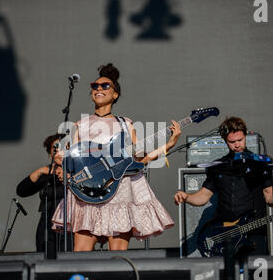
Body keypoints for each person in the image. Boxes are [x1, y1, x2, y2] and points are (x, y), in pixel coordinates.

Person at [52, 63, 181, 252]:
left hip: (118, 191)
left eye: (105, 86)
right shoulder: (81, 125)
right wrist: (63, 165)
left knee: (118, 256)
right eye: (94, 86)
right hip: (88, 193)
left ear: (115, 94)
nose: (98, 89)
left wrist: (168, 145)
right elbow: (67, 157)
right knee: (80, 255)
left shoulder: (125, 124)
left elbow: (138, 160)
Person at [174, 116, 273, 255]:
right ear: (225, 141)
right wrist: (186, 197)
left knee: (256, 275)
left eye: (240, 140)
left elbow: (270, 198)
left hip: (254, 232)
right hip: (225, 233)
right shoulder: (218, 167)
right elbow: (203, 197)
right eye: (232, 142)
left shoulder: (261, 164)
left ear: (245, 136)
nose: (237, 145)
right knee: (227, 275)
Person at [16, 133, 72, 258]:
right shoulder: (47, 175)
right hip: (47, 226)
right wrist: (40, 171)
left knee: (69, 261)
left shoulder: (78, 172)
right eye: (55, 149)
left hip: (71, 226)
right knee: (46, 262)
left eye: (64, 148)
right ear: (50, 155)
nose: (60, 152)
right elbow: (21, 191)